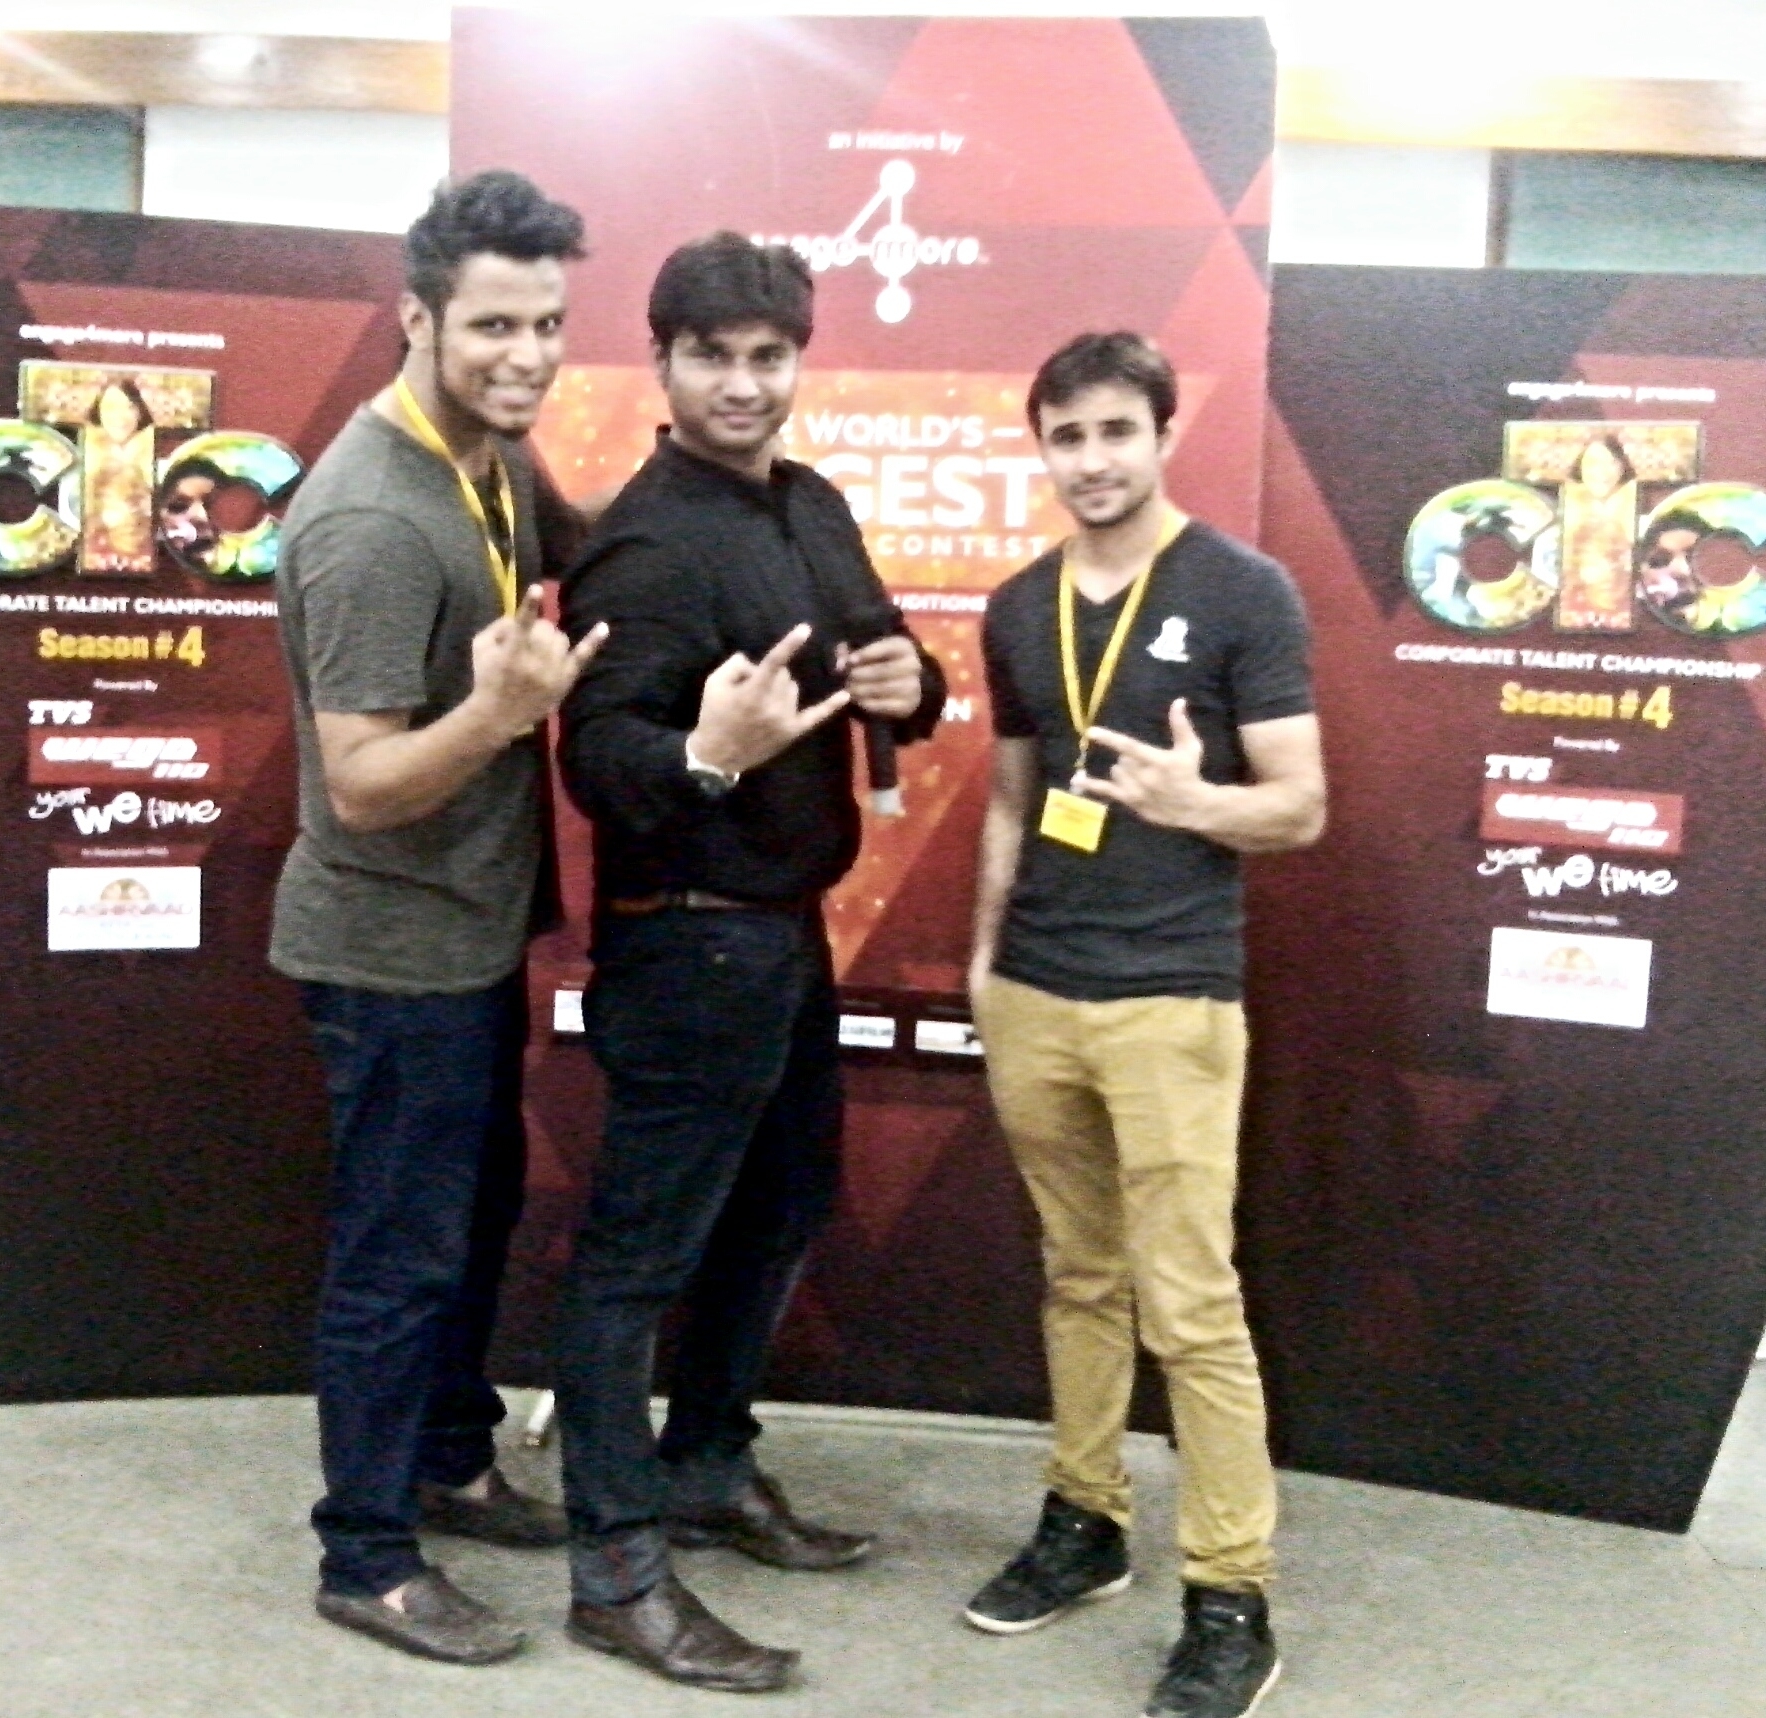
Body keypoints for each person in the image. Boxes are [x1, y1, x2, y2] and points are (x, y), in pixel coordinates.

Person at [553, 232, 947, 1693]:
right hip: (684, 943)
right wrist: (703, 757)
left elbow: (881, 660)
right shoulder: (646, 541)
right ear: (661, 362)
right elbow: (598, 757)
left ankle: (707, 1468)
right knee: (633, 1265)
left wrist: (915, 679)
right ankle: (615, 1571)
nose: (740, 382)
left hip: (781, 934)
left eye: (766, 355)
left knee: (780, 1211)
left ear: (797, 362)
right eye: (710, 355)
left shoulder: (811, 501)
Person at [962, 332, 1326, 1718]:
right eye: (1067, 435)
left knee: (1191, 1304)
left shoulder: (1243, 591)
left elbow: (1299, 805)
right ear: (1043, 448)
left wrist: (1194, 803)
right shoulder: (1018, 606)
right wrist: (986, 960)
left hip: (1171, 996)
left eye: (1118, 430)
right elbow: (1013, 798)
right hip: (1036, 991)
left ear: (1164, 435)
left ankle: (1232, 1598)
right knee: (1077, 1274)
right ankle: (1086, 1519)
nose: (1093, 459)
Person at [268, 170, 602, 1669]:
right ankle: (368, 1552)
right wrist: (497, 713)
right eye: (493, 327)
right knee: (398, 1257)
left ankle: (452, 1463)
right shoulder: (371, 519)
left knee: (469, 1222)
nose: (527, 356)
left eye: (546, 324)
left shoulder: (491, 457)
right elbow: (361, 785)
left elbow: (594, 544)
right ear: (416, 319)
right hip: (389, 955)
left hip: (468, 935)